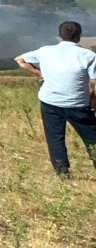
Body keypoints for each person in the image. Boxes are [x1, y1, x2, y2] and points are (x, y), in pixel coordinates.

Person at [14, 21, 96, 176]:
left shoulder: (45, 51)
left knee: (55, 137)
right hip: (78, 104)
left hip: (50, 102)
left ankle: (62, 171)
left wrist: (39, 73)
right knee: (92, 137)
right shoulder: (88, 55)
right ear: (79, 37)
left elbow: (20, 60)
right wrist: (93, 98)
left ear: (60, 36)